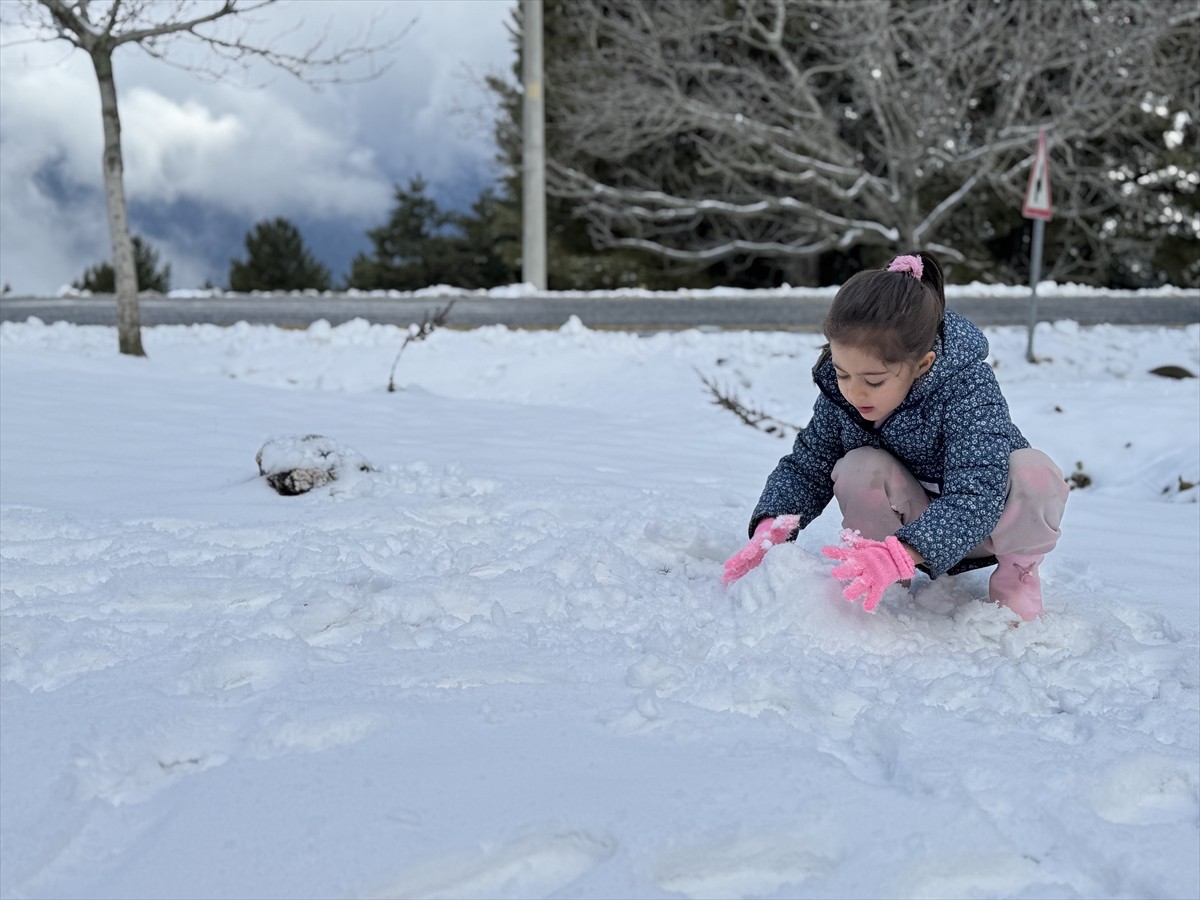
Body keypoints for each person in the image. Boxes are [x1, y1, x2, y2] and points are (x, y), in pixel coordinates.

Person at [722, 251, 1068, 621]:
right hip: (901, 530)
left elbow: (977, 493)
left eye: (873, 381)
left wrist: (905, 552)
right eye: (842, 373)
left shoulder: (968, 388)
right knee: (859, 466)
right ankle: (880, 580)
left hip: (988, 527)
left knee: (1035, 471)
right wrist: (773, 525)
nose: (854, 392)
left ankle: (1017, 577)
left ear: (922, 365)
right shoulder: (843, 397)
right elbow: (808, 466)